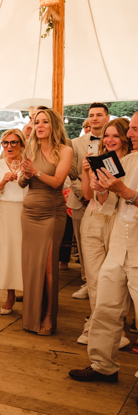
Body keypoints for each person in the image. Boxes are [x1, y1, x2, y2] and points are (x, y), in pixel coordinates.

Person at [69, 112, 138, 384]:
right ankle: (102, 365)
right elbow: (108, 205)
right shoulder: (128, 161)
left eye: (134, 129)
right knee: (105, 307)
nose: (129, 134)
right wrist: (99, 188)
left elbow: (126, 195)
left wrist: (126, 192)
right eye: (130, 129)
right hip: (119, 246)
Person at [77, 118, 132, 348]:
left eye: (115, 136)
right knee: (94, 278)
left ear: (125, 138)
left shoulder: (131, 162)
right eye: (106, 135)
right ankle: (94, 326)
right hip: (92, 219)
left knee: (114, 280)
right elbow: (87, 195)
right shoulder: (98, 160)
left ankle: (115, 330)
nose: (109, 140)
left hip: (119, 222)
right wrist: (86, 172)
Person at [19, 108, 73, 335]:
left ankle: (49, 315)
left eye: (45, 122)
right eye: (37, 122)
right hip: (29, 213)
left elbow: (58, 181)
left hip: (51, 213)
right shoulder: (30, 149)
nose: (39, 126)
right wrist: (25, 175)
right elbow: (22, 182)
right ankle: (32, 316)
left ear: (54, 126)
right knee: (32, 266)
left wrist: (36, 172)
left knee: (49, 267)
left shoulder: (65, 151)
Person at [68, 103, 110, 299]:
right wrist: (85, 196)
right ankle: (87, 281)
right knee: (83, 245)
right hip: (81, 201)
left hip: (110, 201)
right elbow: (72, 174)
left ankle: (108, 284)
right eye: (91, 115)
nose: (94, 118)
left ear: (107, 118)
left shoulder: (113, 140)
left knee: (107, 245)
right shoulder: (76, 143)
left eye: (99, 115)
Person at [0, 128, 27, 315]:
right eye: (5, 143)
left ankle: (29, 292)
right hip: (4, 212)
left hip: (25, 212)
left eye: (13, 142)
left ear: (21, 144)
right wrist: (2, 183)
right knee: (7, 254)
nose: (9, 146)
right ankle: (10, 295)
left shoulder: (29, 164)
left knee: (25, 253)